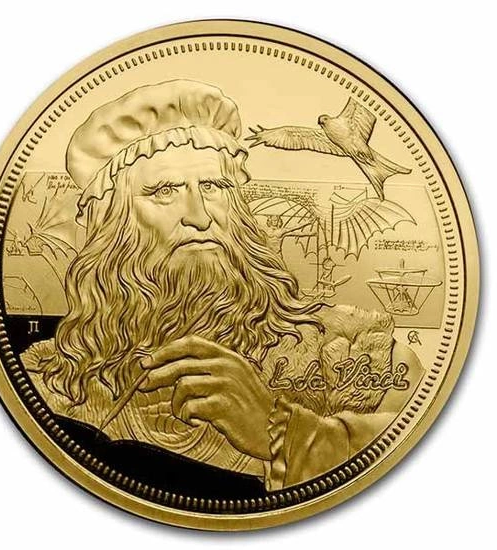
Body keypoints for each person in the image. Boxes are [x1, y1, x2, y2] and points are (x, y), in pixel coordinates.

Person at [21, 79, 422, 491]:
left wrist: (281, 431)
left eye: (213, 187)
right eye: (164, 191)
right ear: (114, 225)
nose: (199, 217)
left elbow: (417, 467)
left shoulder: (353, 356)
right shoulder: (54, 384)